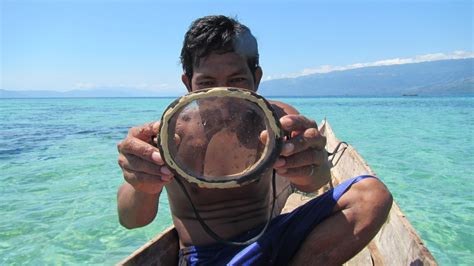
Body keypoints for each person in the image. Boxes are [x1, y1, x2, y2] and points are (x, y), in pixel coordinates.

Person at [117, 15, 393, 265]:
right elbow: (132, 219)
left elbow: (314, 182)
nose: (223, 96)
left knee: (372, 195)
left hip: (273, 237)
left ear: (256, 78)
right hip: (210, 257)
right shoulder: (168, 134)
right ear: (188, 83)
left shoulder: (279, 119)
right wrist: (141, 182)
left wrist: (311, 162)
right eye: (206, 83)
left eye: (237, 80)